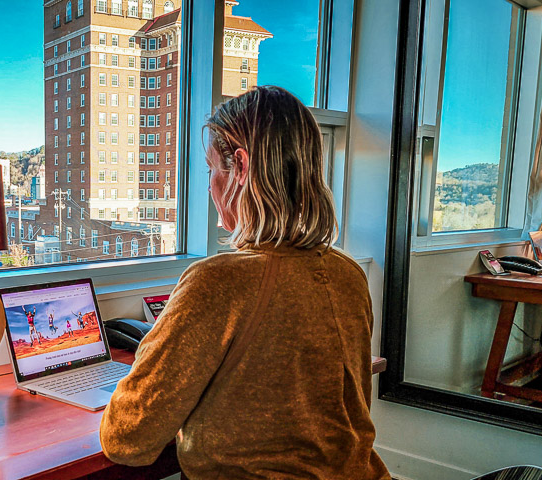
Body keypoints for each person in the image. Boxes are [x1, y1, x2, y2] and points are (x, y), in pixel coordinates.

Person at [100, 86, 389, 479]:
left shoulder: (218, 282)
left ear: (240, 166)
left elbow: (127, 439)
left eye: (211, 170)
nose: (208, 186)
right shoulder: (347, 273)